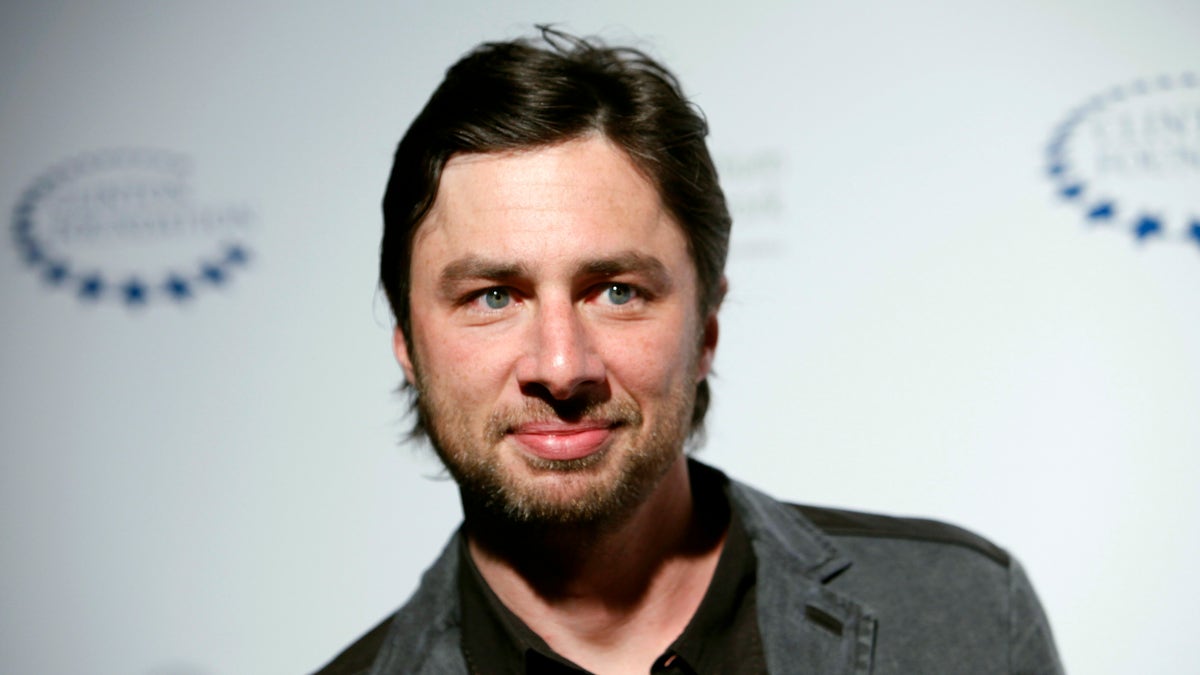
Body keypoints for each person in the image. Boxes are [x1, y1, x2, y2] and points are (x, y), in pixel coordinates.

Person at [316, 28, 1063, 675]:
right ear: (407, 344)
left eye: (615, 290)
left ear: (706, 326)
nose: (560, 364)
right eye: (493, 296)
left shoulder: (965, 617)